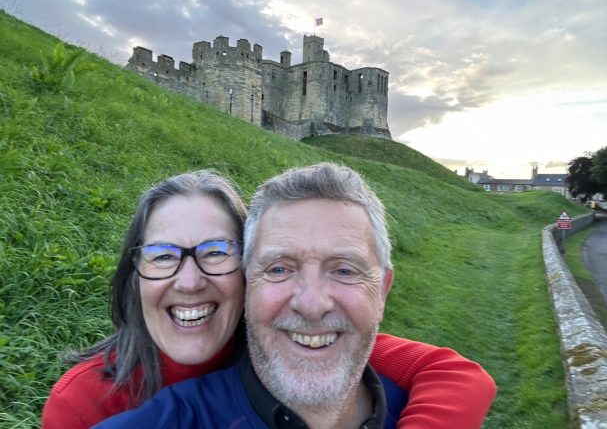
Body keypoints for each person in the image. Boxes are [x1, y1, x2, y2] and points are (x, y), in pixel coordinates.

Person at [42, 168, 496, 429]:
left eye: (216, 253)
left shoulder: (289, 341)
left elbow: (454, 373)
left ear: (244, 276)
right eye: (162, 256)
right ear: (134, 273)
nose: (188, 282)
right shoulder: (85, 400)